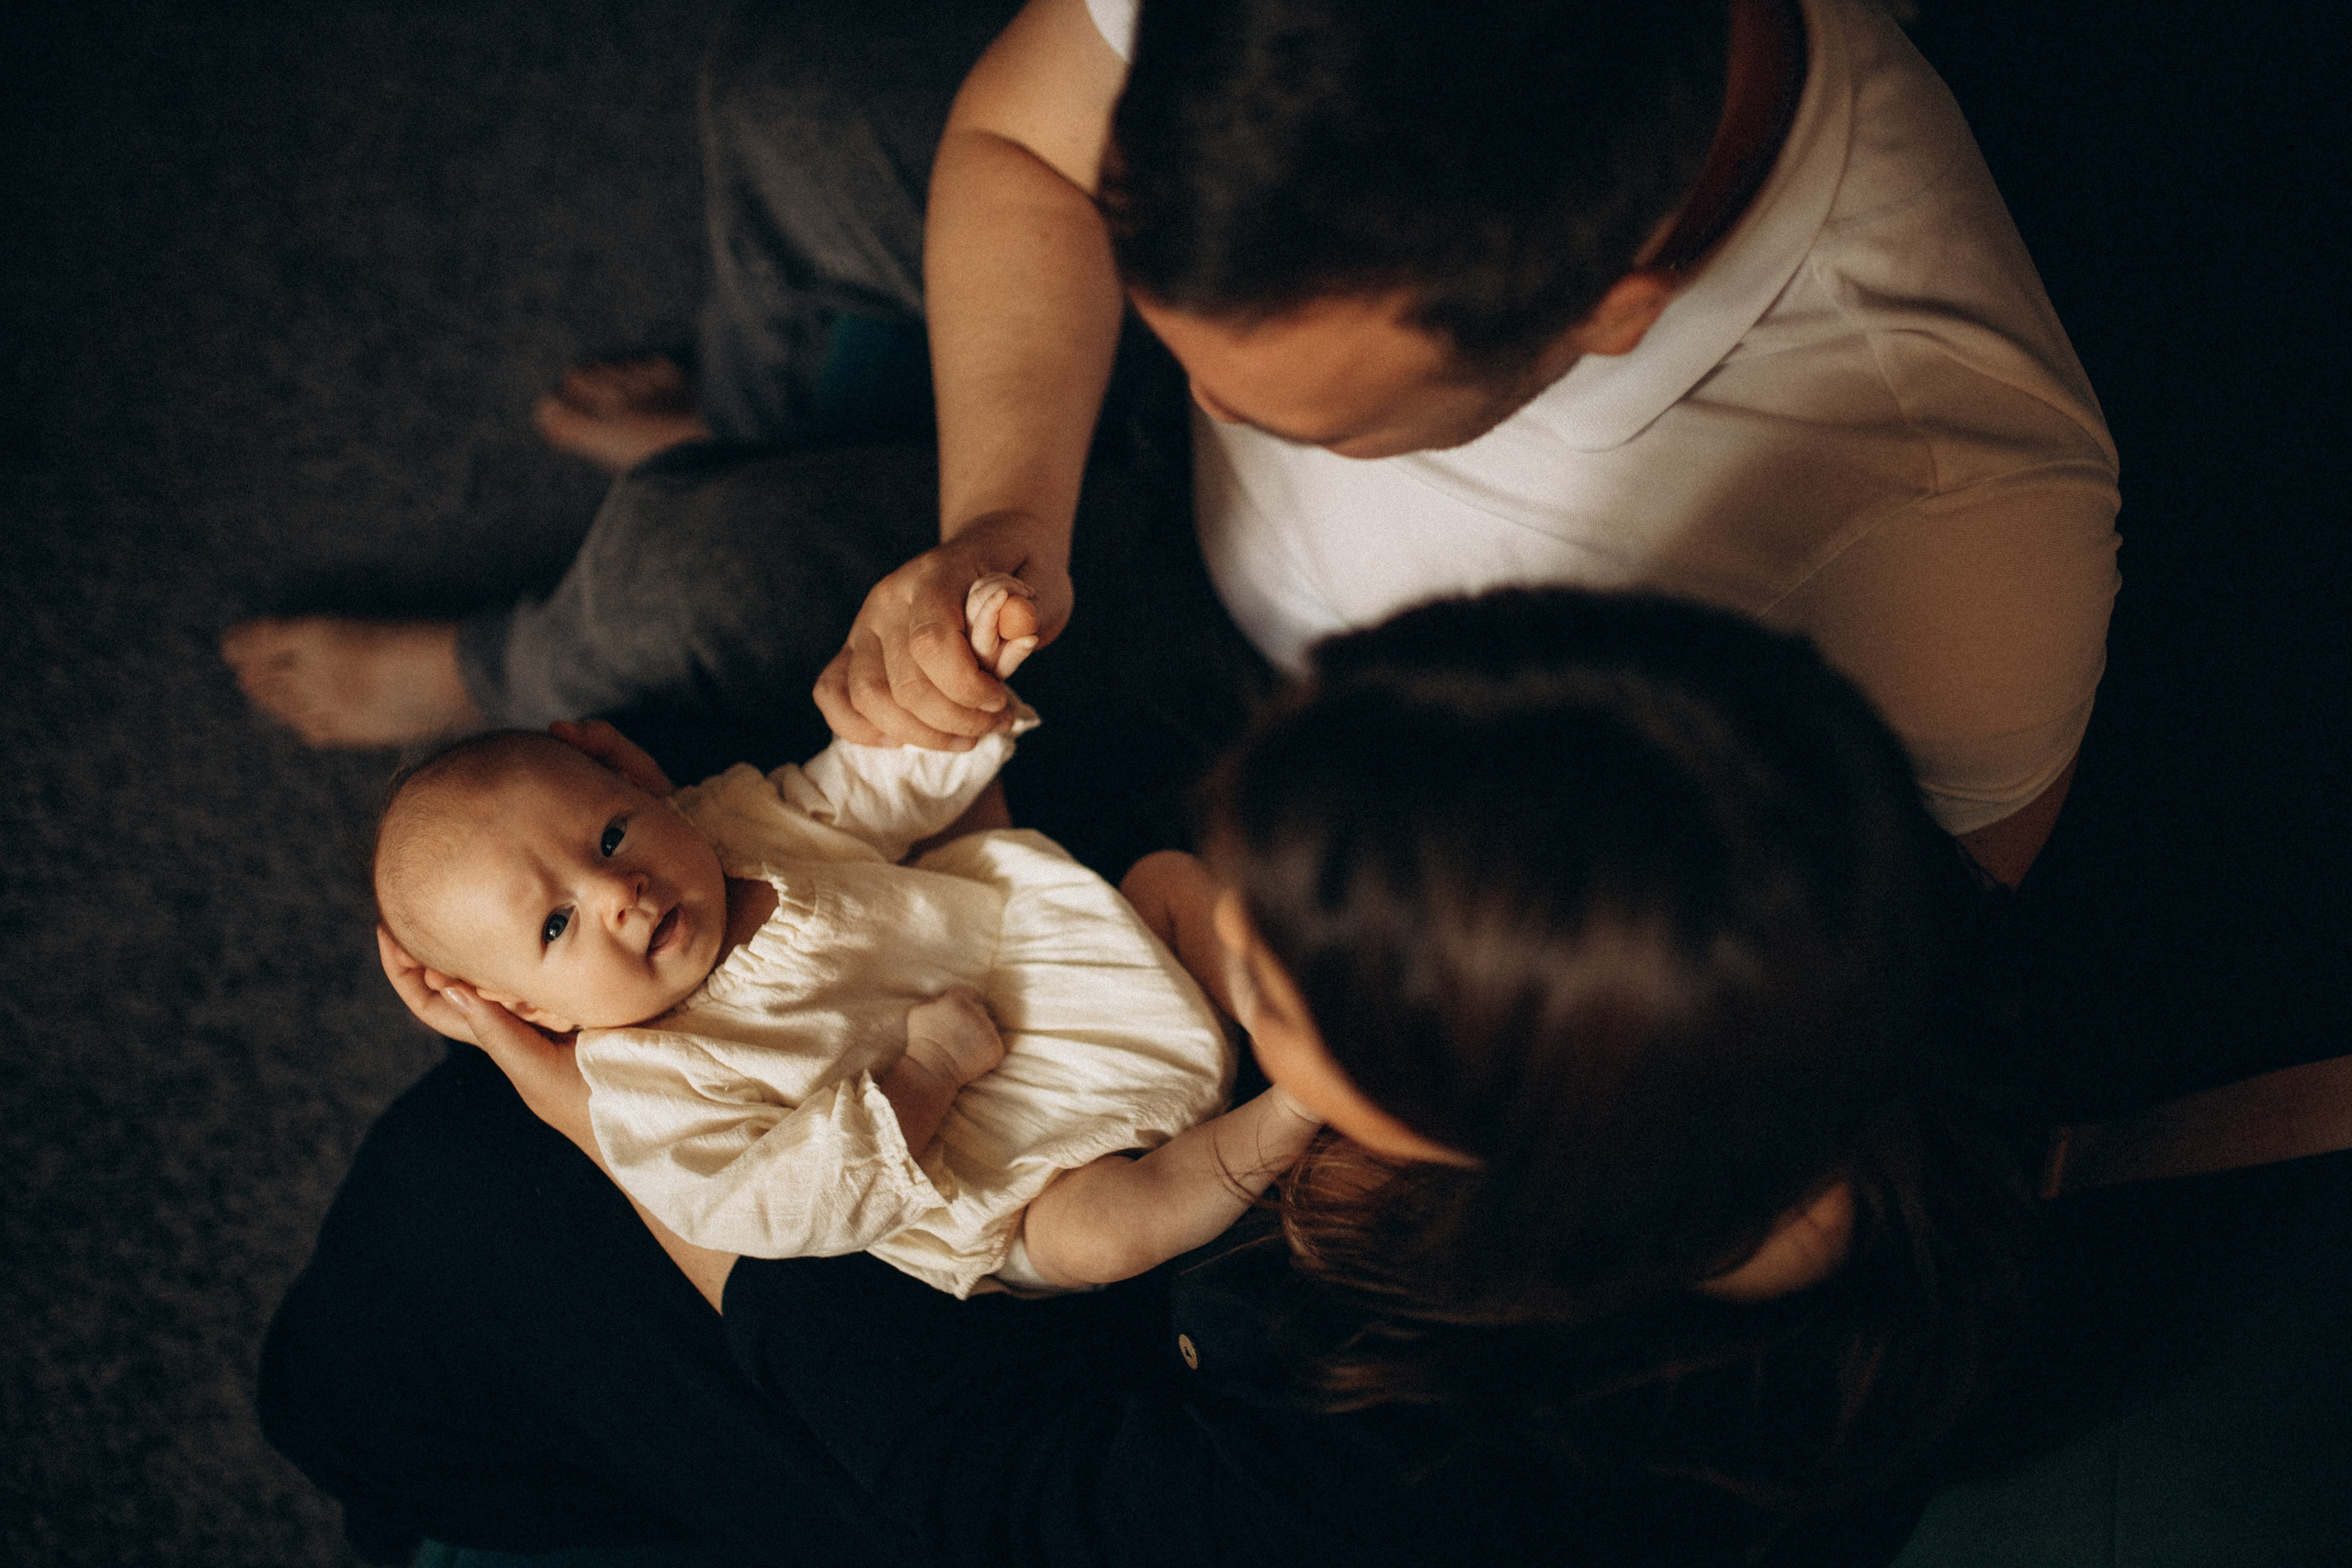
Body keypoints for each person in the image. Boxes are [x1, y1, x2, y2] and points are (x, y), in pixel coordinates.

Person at [261, 586, 2040, 1566]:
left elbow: (993, 1482)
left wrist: (615, 1124)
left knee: (461, 1198)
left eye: (1262, 965)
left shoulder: (1453, 1480)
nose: (1210, 902)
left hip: (1026, 1416)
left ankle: (382, 1451)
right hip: (1060, 1205)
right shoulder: (1752, 961)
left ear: (1430, 1127)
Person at [222, 0, 2118, 891]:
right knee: (796, 92)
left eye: (1291, 408)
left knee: (675, 568)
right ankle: (806, 432)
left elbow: (1856, 984)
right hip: (1079, 507)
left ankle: (513, 661)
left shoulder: (1945, 527)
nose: (1202, 402)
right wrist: (996, 512)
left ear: (1607, 304)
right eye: (1193, 350)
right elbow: (1030, 140)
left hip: (1302, 734)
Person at [366, 653, 1317, 1294]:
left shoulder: (735, 822)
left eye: (611, 834)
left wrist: (953, 693)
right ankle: (1294, 1113)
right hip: (1012, 1161)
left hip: (1058, 971)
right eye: (557, 922)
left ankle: (1302, 1016)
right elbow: (771, 1203)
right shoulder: (647, 1087)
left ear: (647, 791)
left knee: (1168, 882)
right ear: (531, 1011)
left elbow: (866, 790)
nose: (618, 889)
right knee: (1101, 1234)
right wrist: (922, 1077)